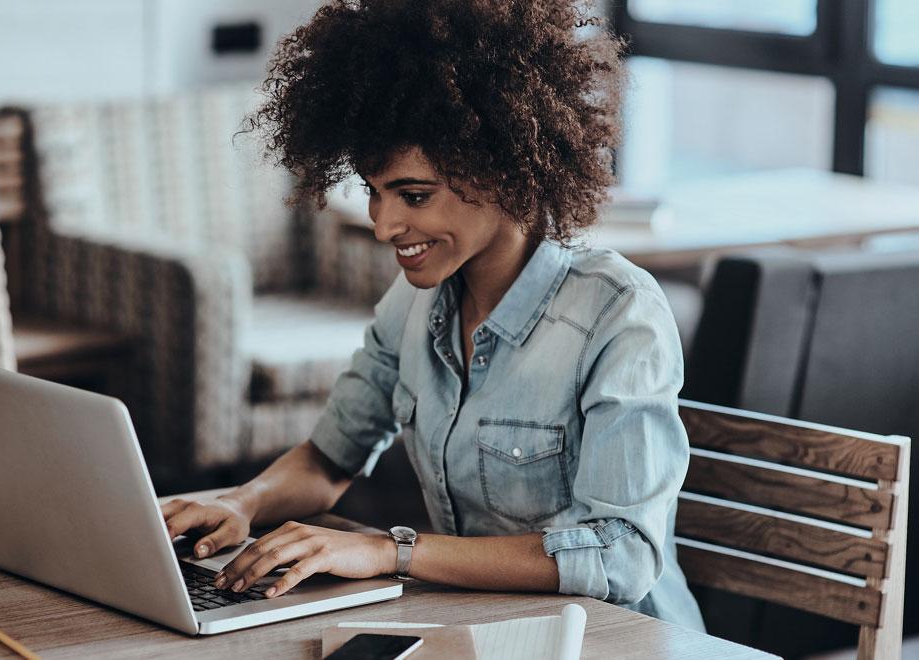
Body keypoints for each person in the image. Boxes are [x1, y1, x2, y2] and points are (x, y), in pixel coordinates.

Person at [162, 0, 704, 630]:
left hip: (623, 640)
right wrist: (239, 502)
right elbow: (328, 459)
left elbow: (622, 557)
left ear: (503, 173)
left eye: (413, 195)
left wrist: (388, 551)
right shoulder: (414, 302)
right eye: (374, 190)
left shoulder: (618, 315)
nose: (383, 225)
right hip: (484, 630)